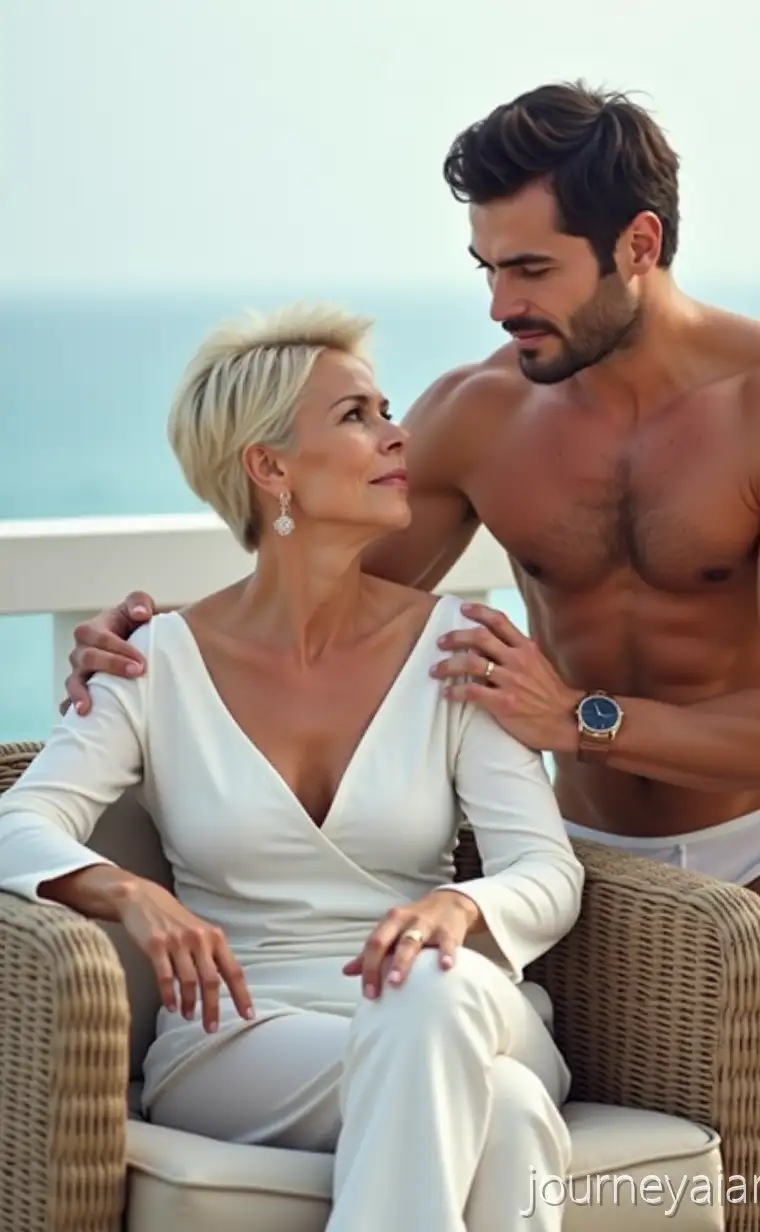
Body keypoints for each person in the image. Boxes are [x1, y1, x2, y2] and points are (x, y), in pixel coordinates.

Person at [62, 83, 760, 1229]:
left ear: (636, 245)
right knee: (492, 1122)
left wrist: (581, 719)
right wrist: (147, 646)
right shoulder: (481, 416)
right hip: (578, 867)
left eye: (531, 269)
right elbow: (326, 619)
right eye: (483, 267)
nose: (498, 303)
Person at [0, 302, 586, 1232]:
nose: (398, 436)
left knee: (428, 992)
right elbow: (16, 824)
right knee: (507, 1114)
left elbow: (547, 873)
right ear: (269, 468)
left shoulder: (454, 651)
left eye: (387, 410)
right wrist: (127, 892)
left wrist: (463, 906)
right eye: (357, 417)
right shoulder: (154, 665)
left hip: (463, 996)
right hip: (244, 1031)